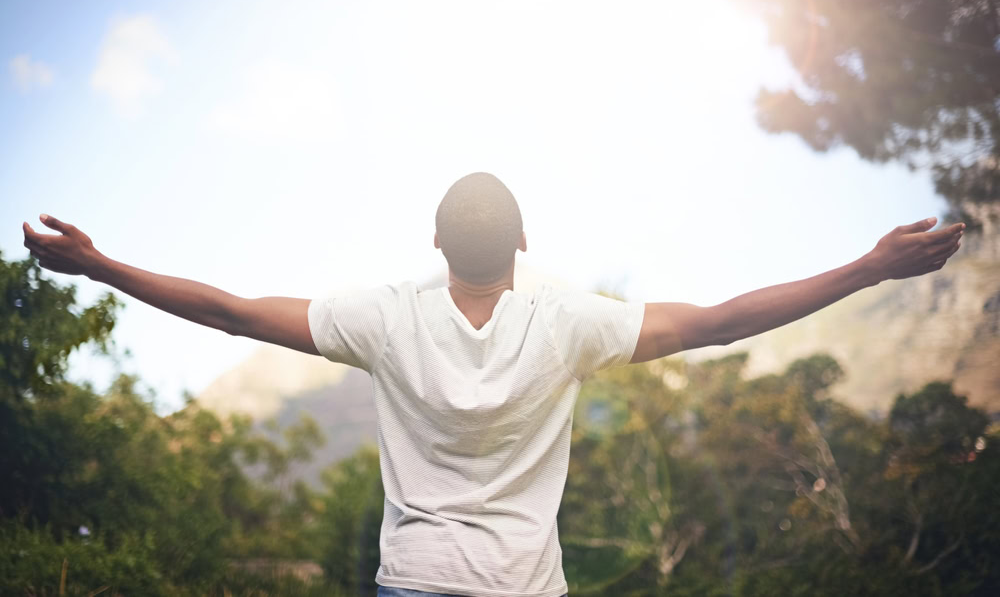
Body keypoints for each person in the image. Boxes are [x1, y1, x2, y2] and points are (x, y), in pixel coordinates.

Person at [21, 171, 964, 597]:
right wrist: (866, 269)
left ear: (434, 243)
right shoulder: (570, 320)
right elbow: (720, 321)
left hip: (415, 582)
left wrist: (103, 265)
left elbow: (229, 309)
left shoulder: (384, 315)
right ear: (524, 242)